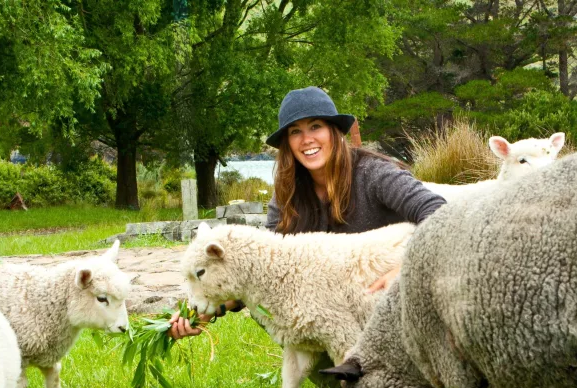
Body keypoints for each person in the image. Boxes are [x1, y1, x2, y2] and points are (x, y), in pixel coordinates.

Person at [169, 86, 446, 339]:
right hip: (335, 319)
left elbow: (441, 214)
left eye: (315, 126)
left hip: (394, 306)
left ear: (333, 132)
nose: (306, 139)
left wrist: (405, 271)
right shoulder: (287, 196)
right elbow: (258, 272)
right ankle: (336, 371)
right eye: (295, 131)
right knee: (265, 305)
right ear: (287, 142)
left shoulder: (375, 174)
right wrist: (208, 310)